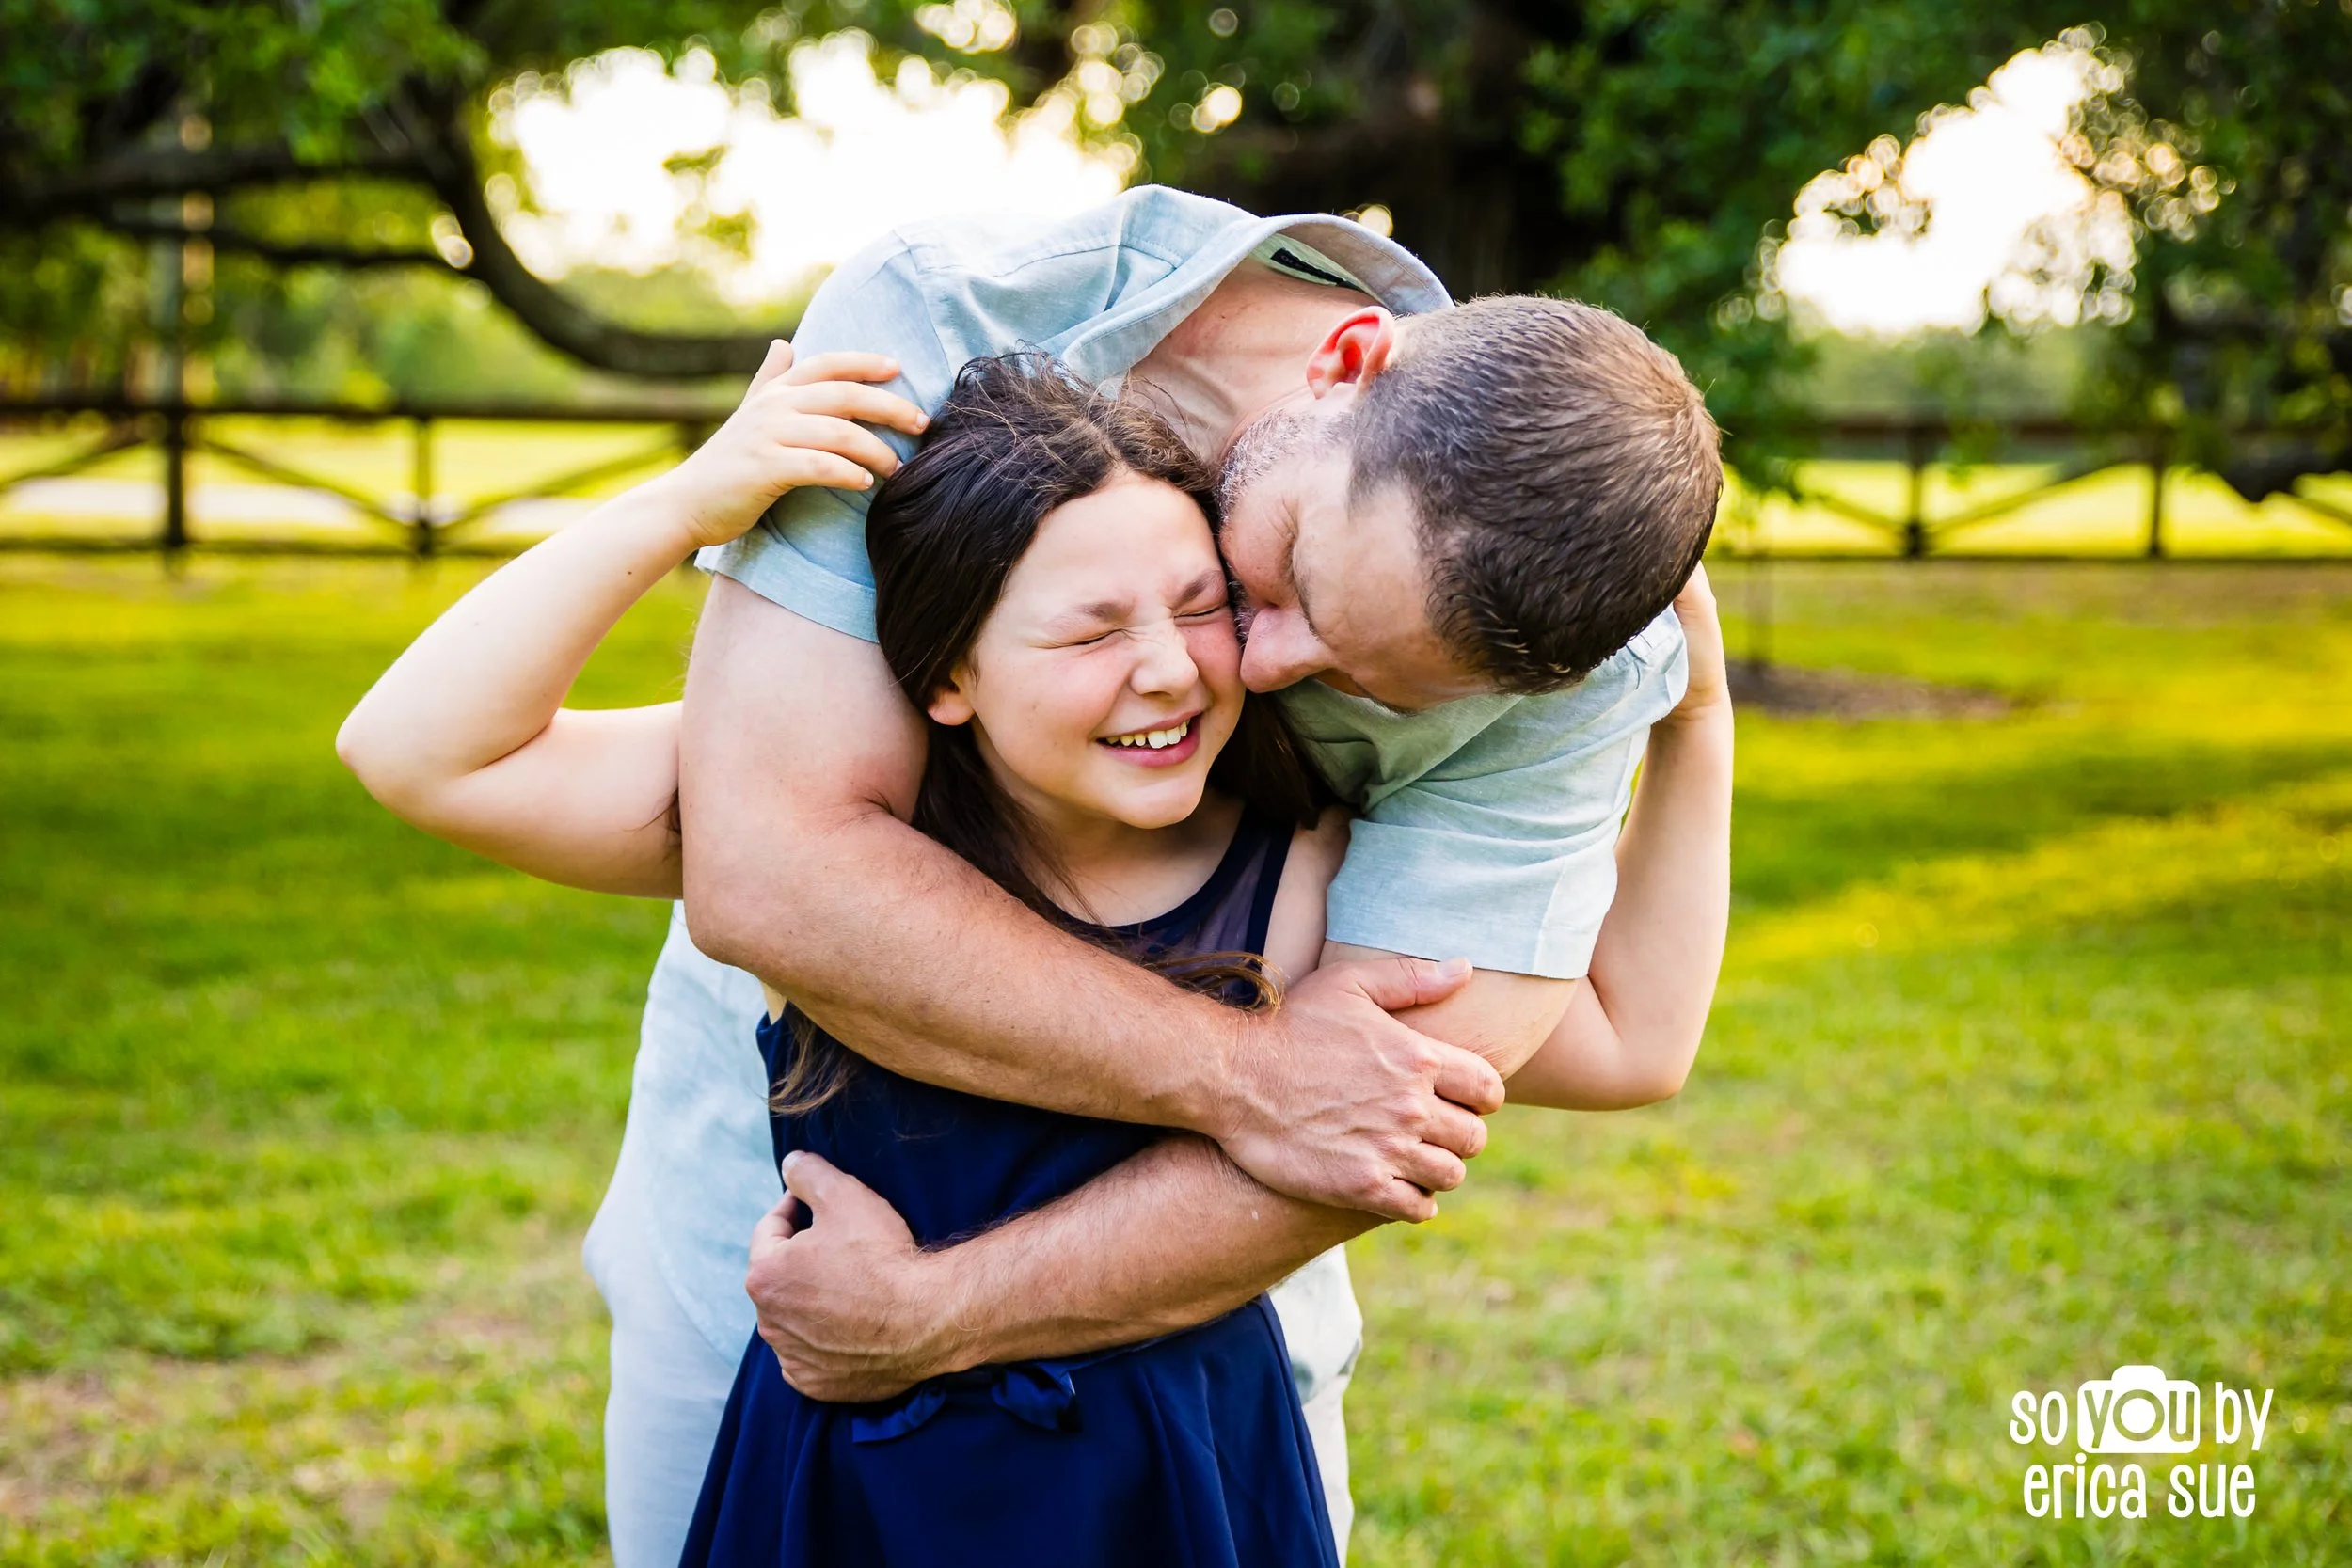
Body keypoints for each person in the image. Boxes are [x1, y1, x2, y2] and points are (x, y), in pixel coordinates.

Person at [345, 182, 1732, 1563]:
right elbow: (658, 831)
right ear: (940, 671)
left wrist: (930, 1315)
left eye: (1364, 680)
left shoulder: (1313, 861)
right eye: (1270, 585)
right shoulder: (946, 319)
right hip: (801, 1340)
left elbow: (1426, 1099)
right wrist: (680, 506)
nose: (1249, 667)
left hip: (1172, 1415)